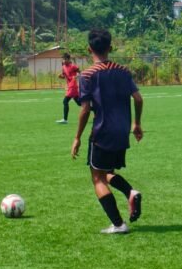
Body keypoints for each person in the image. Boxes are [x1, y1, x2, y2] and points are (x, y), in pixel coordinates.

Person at [71, 29, 144, 234]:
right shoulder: (124, 71)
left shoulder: (86, 75)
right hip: (121, 132)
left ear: (89, 49)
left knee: (97, 178)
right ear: (110, 48)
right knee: (107, 171)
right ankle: (130, 191)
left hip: (102, 132)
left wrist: (76, 137)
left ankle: (118, 224)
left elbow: (85, 109)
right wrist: (136, 124)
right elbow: (138, 99)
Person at [56, 52, 81, 124]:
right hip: (70, 86)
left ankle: (65, 120)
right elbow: (64, 76)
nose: (63, 61)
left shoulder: (73, 66)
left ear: (68, 59)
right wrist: (61, 76)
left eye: (64, 59)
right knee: (79, 103)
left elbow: (80, 72)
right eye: (63, 59)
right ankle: (96, 109)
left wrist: (77, 76)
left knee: (65, 101)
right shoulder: (63, 67)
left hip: (73, 86)